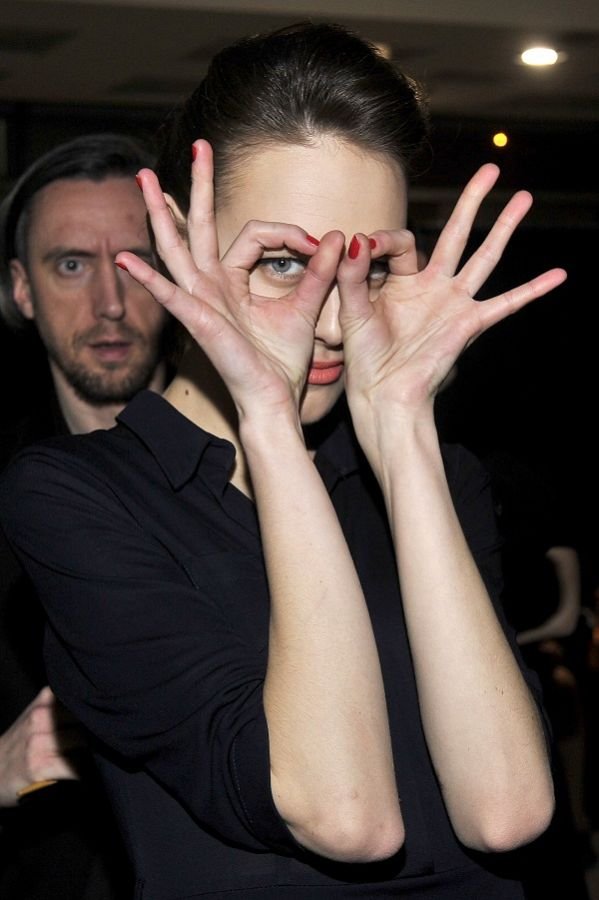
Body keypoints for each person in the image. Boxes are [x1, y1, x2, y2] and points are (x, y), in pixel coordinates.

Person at [0, 24, 567, 899]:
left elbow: (507, 813)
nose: (333, 321)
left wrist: (403, 428)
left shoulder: (433, 476)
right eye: (279, 264)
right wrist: (266, 418)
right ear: (177, 244)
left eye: (367, 269)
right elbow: (345, 816)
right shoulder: (78, 494)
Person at [0, 133, 172, 899]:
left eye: (135, 264)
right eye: (71, 264)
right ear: (22, 289)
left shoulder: (268, 477)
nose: (109, 303)